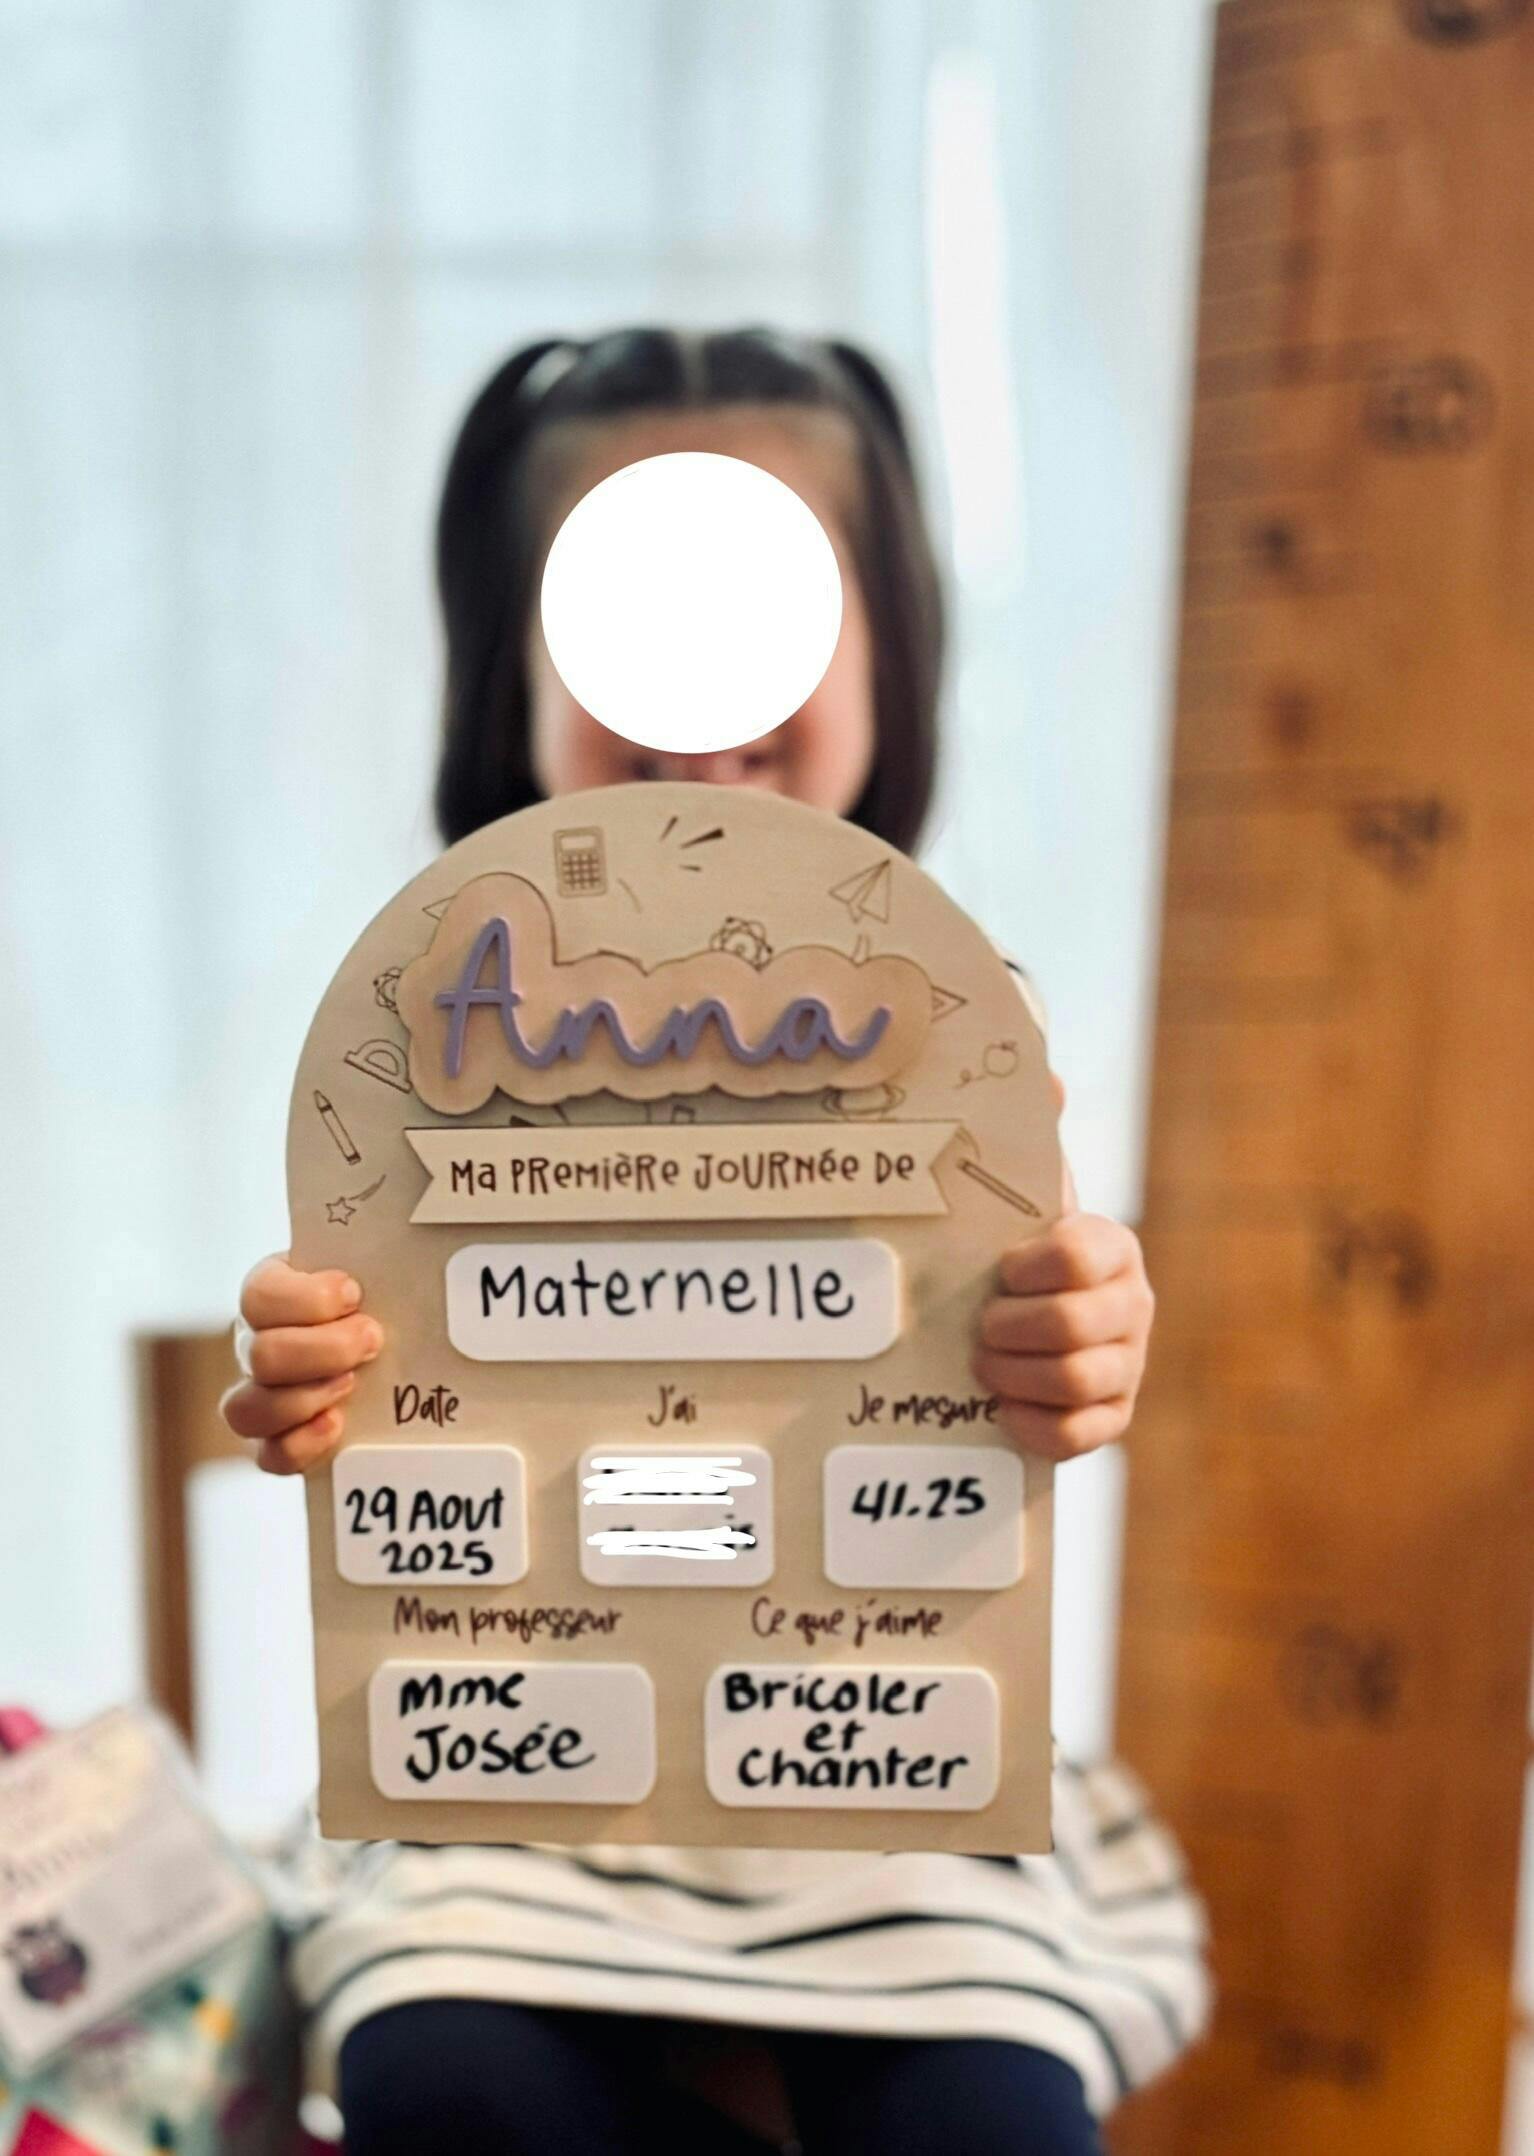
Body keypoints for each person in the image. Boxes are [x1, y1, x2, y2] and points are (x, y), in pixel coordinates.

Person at [223, 327, 1209, 2156]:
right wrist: (309, 1376)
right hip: (509, 1781)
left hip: (888, 1767)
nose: (694, 702)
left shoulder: (956, 1013)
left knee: (987, 2123)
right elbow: (388, 1363)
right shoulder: (428, 1018)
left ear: (888, 652)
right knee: (447, 2088)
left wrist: (1076, 1336)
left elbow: (1007, 1343)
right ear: (511, 678)